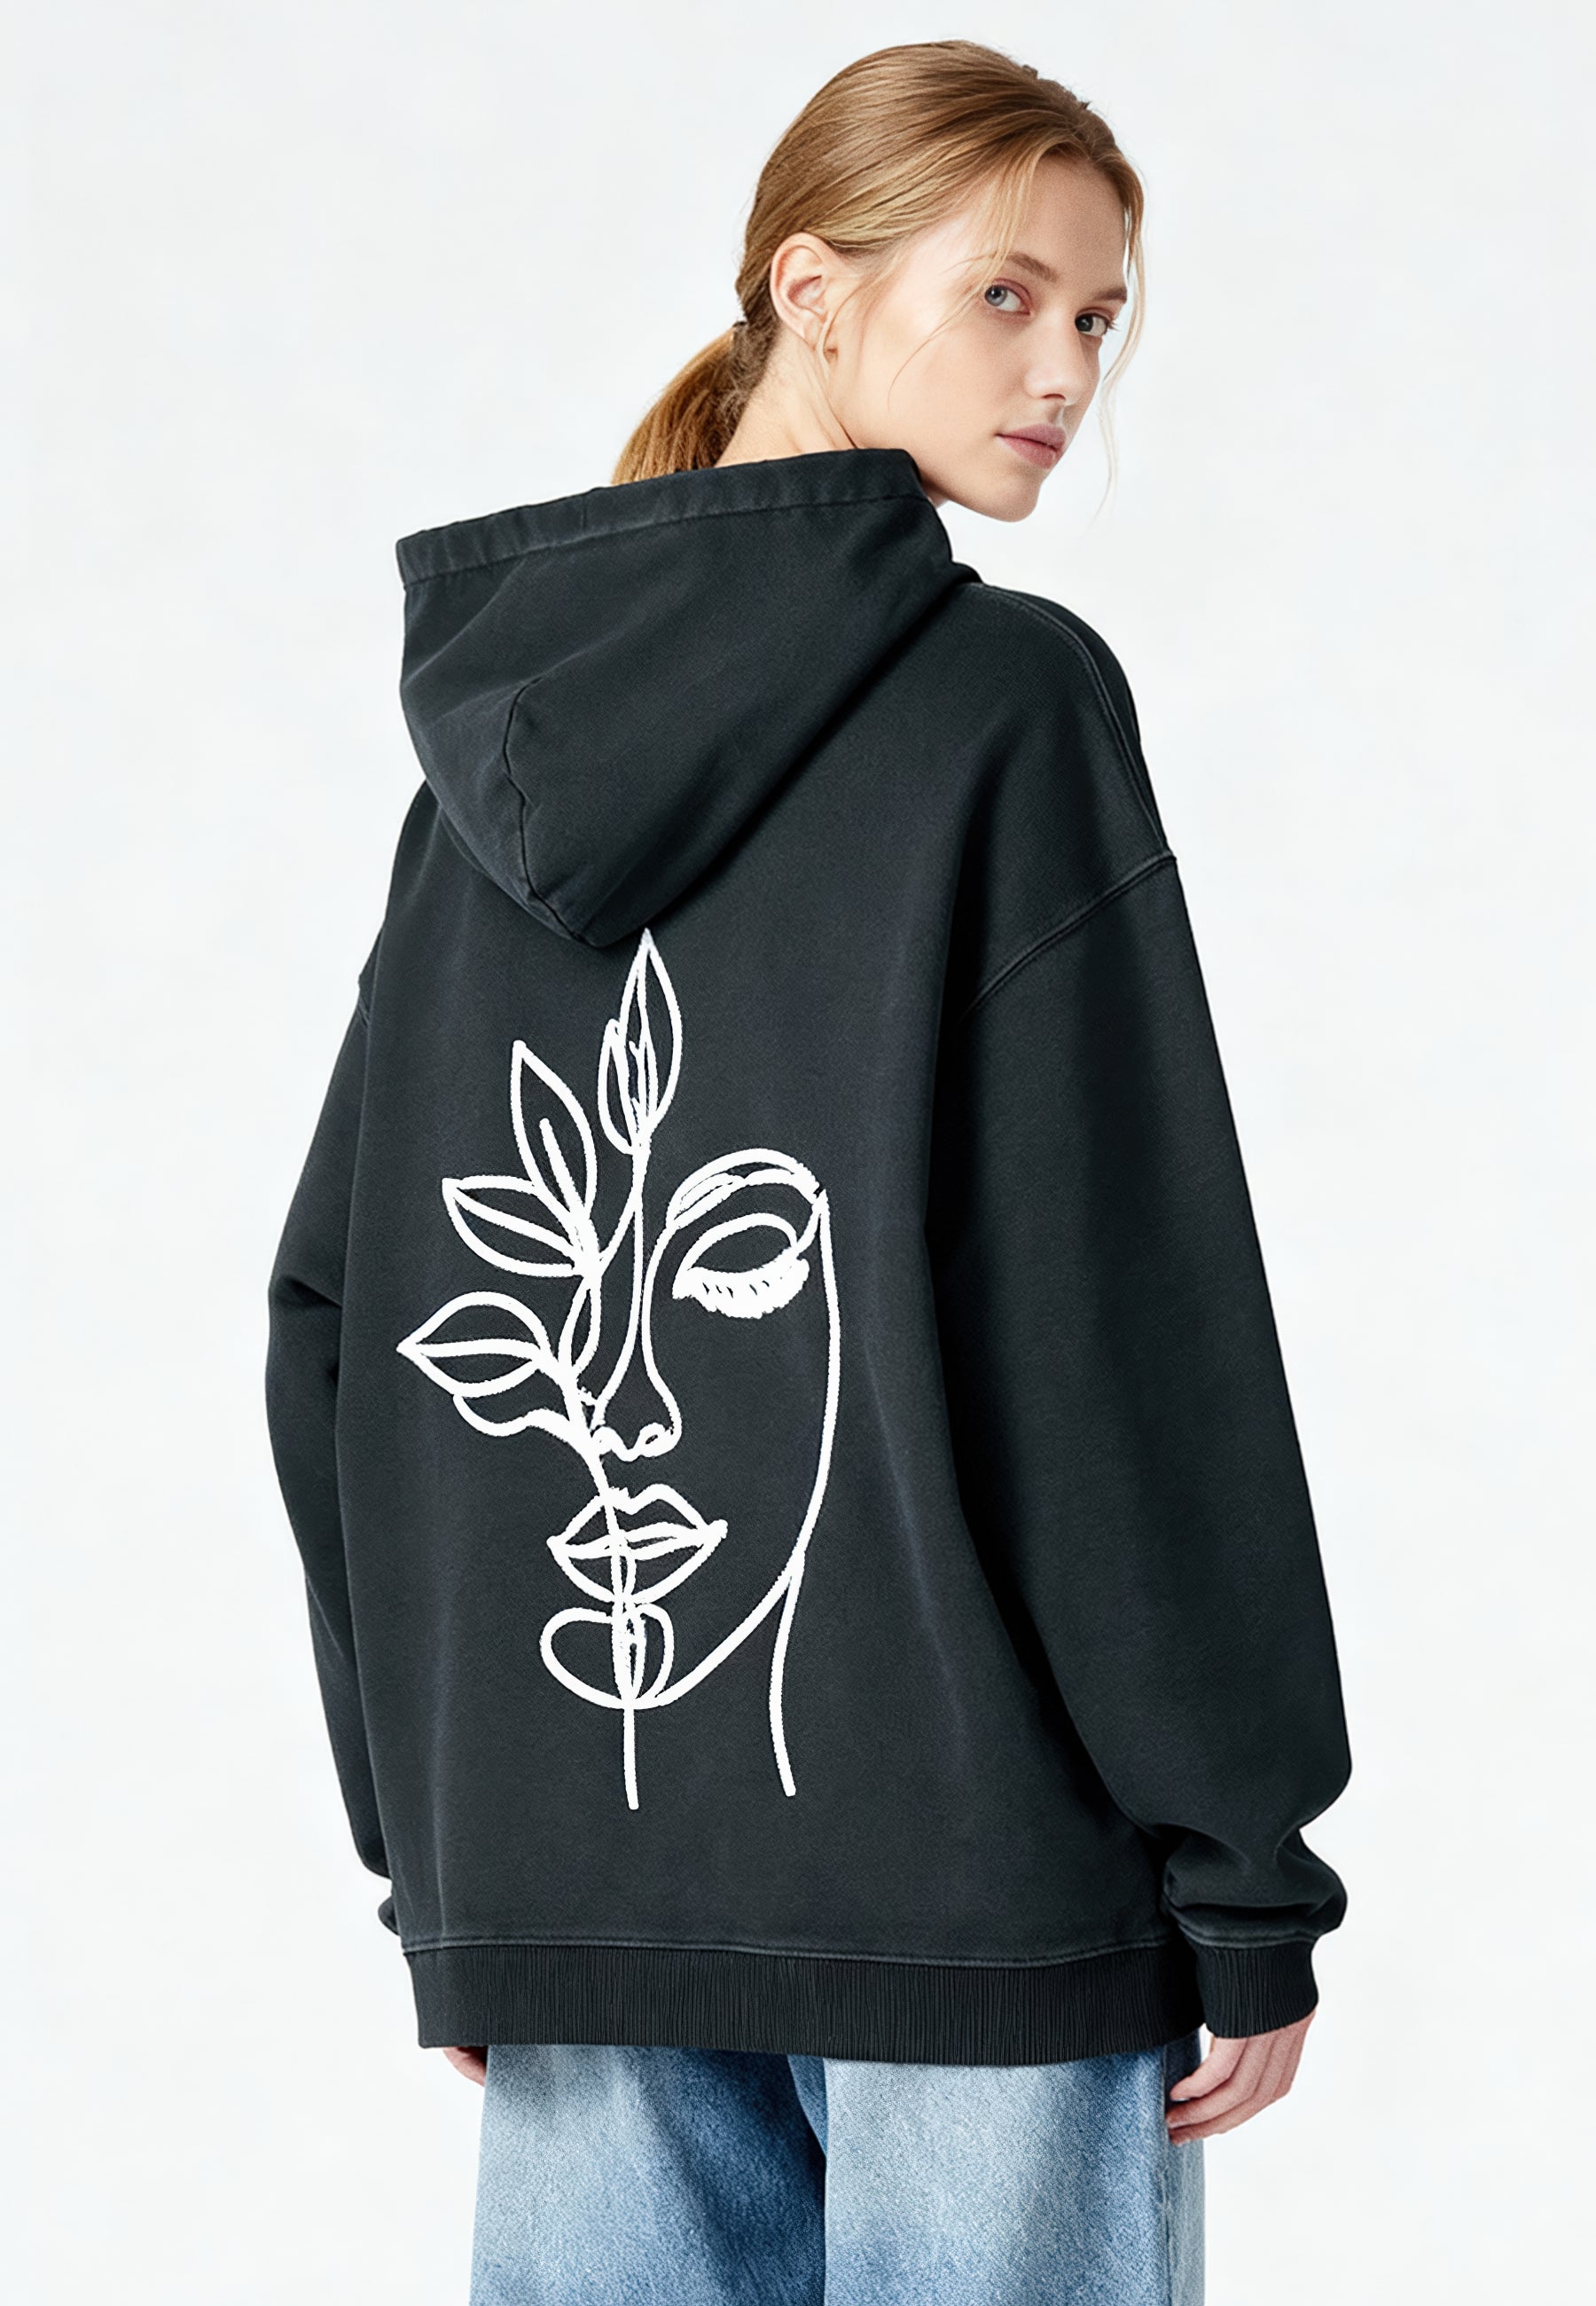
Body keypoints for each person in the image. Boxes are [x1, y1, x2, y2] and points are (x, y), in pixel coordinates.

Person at [264, 37, 1351, 2306]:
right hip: (980, 1894)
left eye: (1101, 316)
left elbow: (345, 1319)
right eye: (1008, 295)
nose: (1066, 372)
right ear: (813, 289)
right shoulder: (1007, 708)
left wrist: (447, 1855)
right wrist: (1243, 1858)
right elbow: (1107, 1313)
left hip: (573, 1887)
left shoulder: (482, 774)